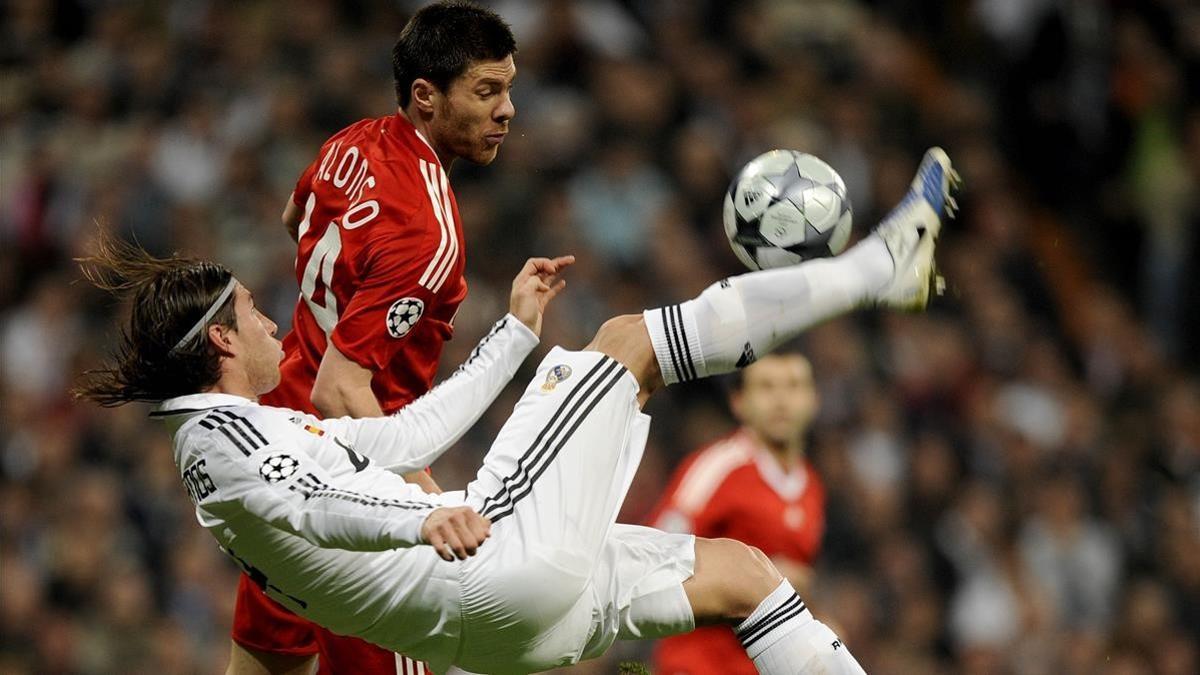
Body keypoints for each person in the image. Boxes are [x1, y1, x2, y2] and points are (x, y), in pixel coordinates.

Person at [76, 148, 957, 674]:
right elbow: (317, 507)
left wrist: (510, 334)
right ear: (222, 344)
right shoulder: (223, 439)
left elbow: (398, 435)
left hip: (499, 626)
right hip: (488, 571)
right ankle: (881, 267)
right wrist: (420, 522)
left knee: (743, 573)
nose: (272, 319)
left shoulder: (241, 434)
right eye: (251, 312)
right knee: (629, 341)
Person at [248, 2, 520, 672]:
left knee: (264, 664)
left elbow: (295, 218)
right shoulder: (429, 231)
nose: (507, 109)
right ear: (426, 97)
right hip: (347, 482)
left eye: (509, 87)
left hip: (274, 451)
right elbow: (341, 387)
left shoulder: (348, 142)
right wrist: (418, 500)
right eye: (487, 91)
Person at [648, 352, 827, 675]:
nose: (781, 400)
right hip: (696, 665)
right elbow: (653, 559)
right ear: (739, 402)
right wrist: (747, 582)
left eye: (793, 386)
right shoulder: (715, 469)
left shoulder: (811, 486)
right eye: (767, 387)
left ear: (814, 400)